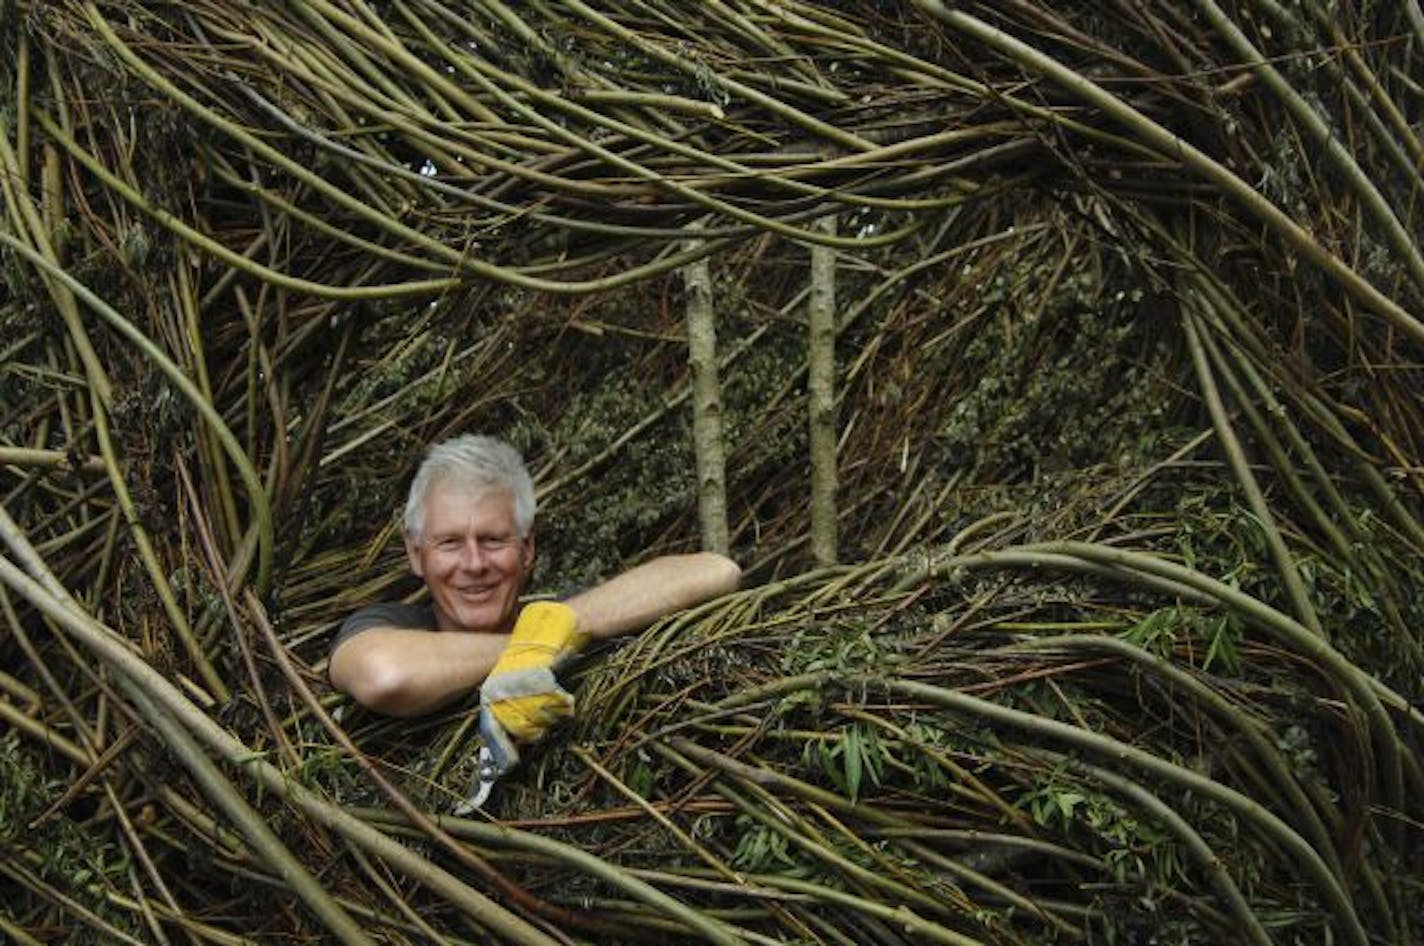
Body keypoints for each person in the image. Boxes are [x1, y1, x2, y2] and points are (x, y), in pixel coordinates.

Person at [329, 434, 740, 748]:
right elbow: (385, 675)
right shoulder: (385, 626)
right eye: (450, 543)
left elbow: (716, 571)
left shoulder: (562, 618)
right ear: (417, 555)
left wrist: (559, 626)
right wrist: (538, 647)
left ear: (527, 549)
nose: (474, 564)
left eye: (493, 540)